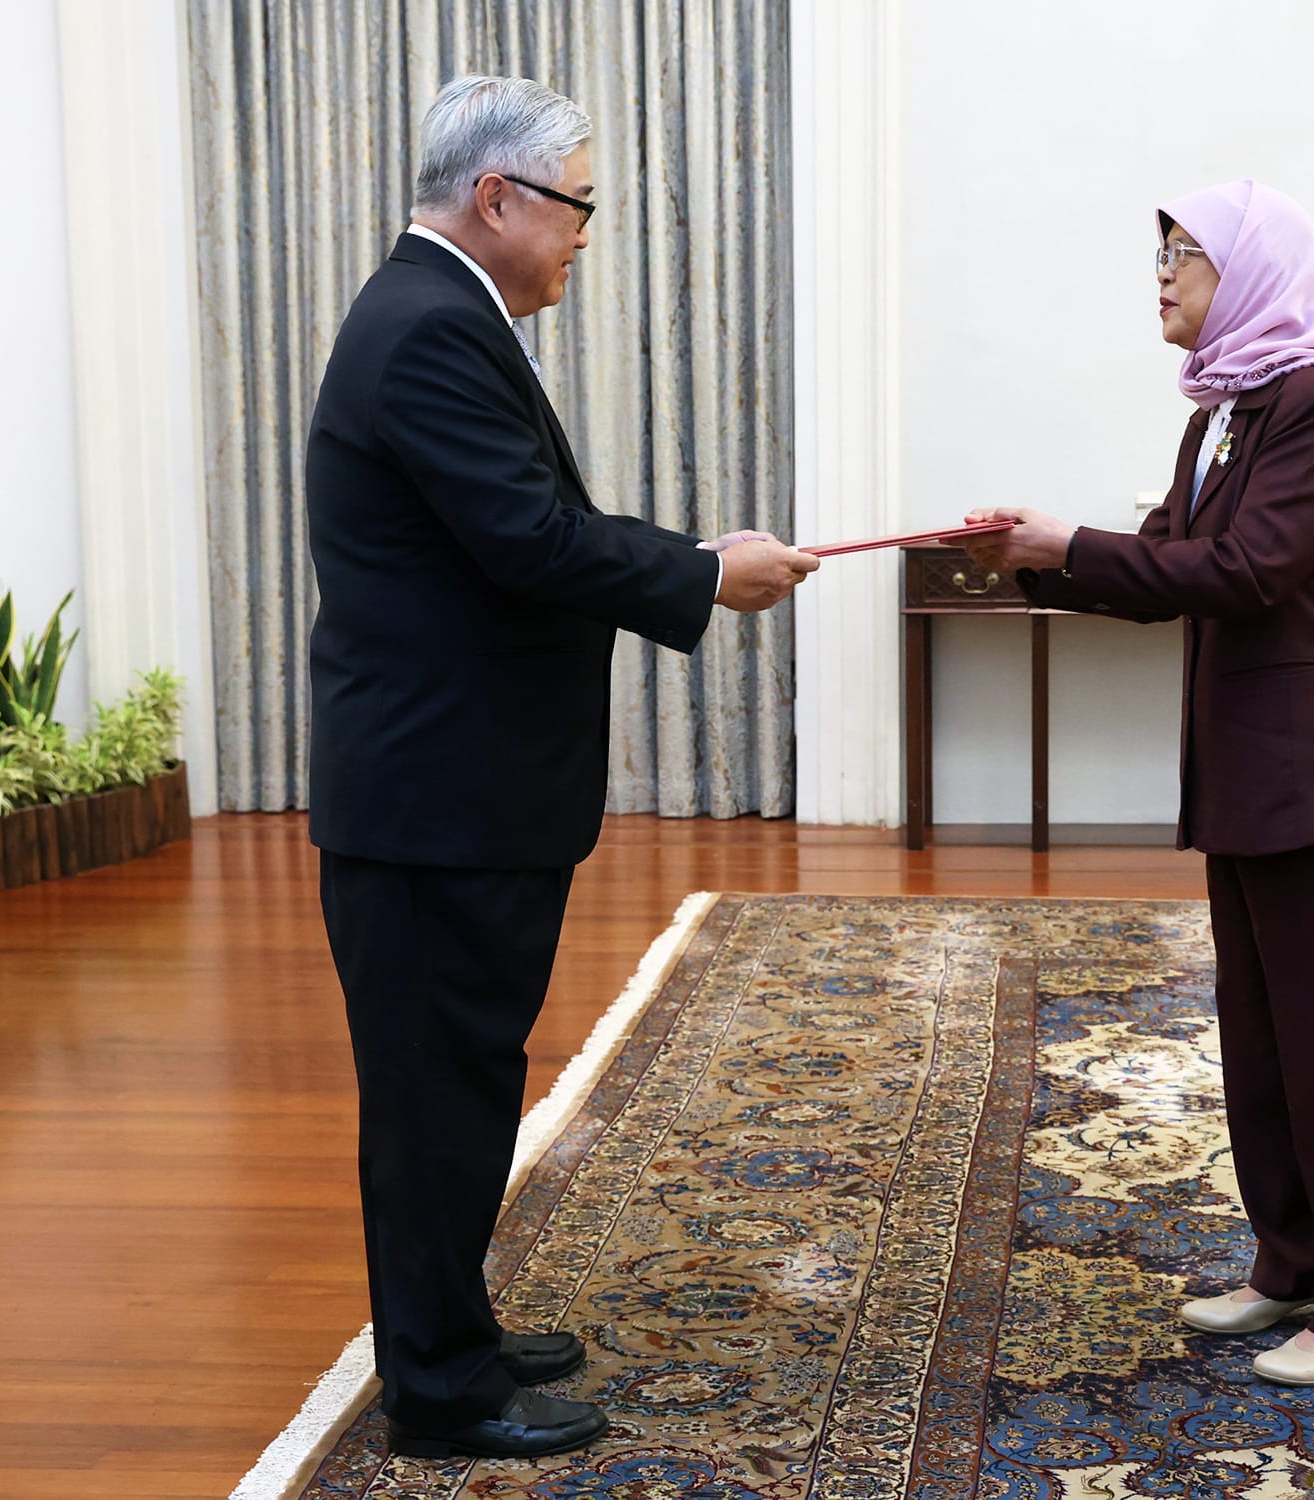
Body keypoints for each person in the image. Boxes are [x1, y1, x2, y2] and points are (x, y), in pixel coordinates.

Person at [304, 75, 817, 1459]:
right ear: (498, 199)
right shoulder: (424, 331)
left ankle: (451, 1322)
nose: (586, 231)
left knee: (464, 1077)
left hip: (462, 790)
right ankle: (440, 1388)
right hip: (431, 800)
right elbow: (530, 540)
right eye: (577, 203)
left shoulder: (444, 314)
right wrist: (708, 572)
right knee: (432, 1100)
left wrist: (690, 561)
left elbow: (522, 532)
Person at [956, 180, 1314, 1387]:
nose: (1161, 274)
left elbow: (1251, 568)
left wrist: (1069, 545)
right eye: (1157, 254)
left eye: (1186, 255)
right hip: (1257, 777)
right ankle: (1292, 1262)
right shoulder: (1225, 407)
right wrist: (1031, 557)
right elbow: (1170, 562)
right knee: (1264, 1035)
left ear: (1255, 269)